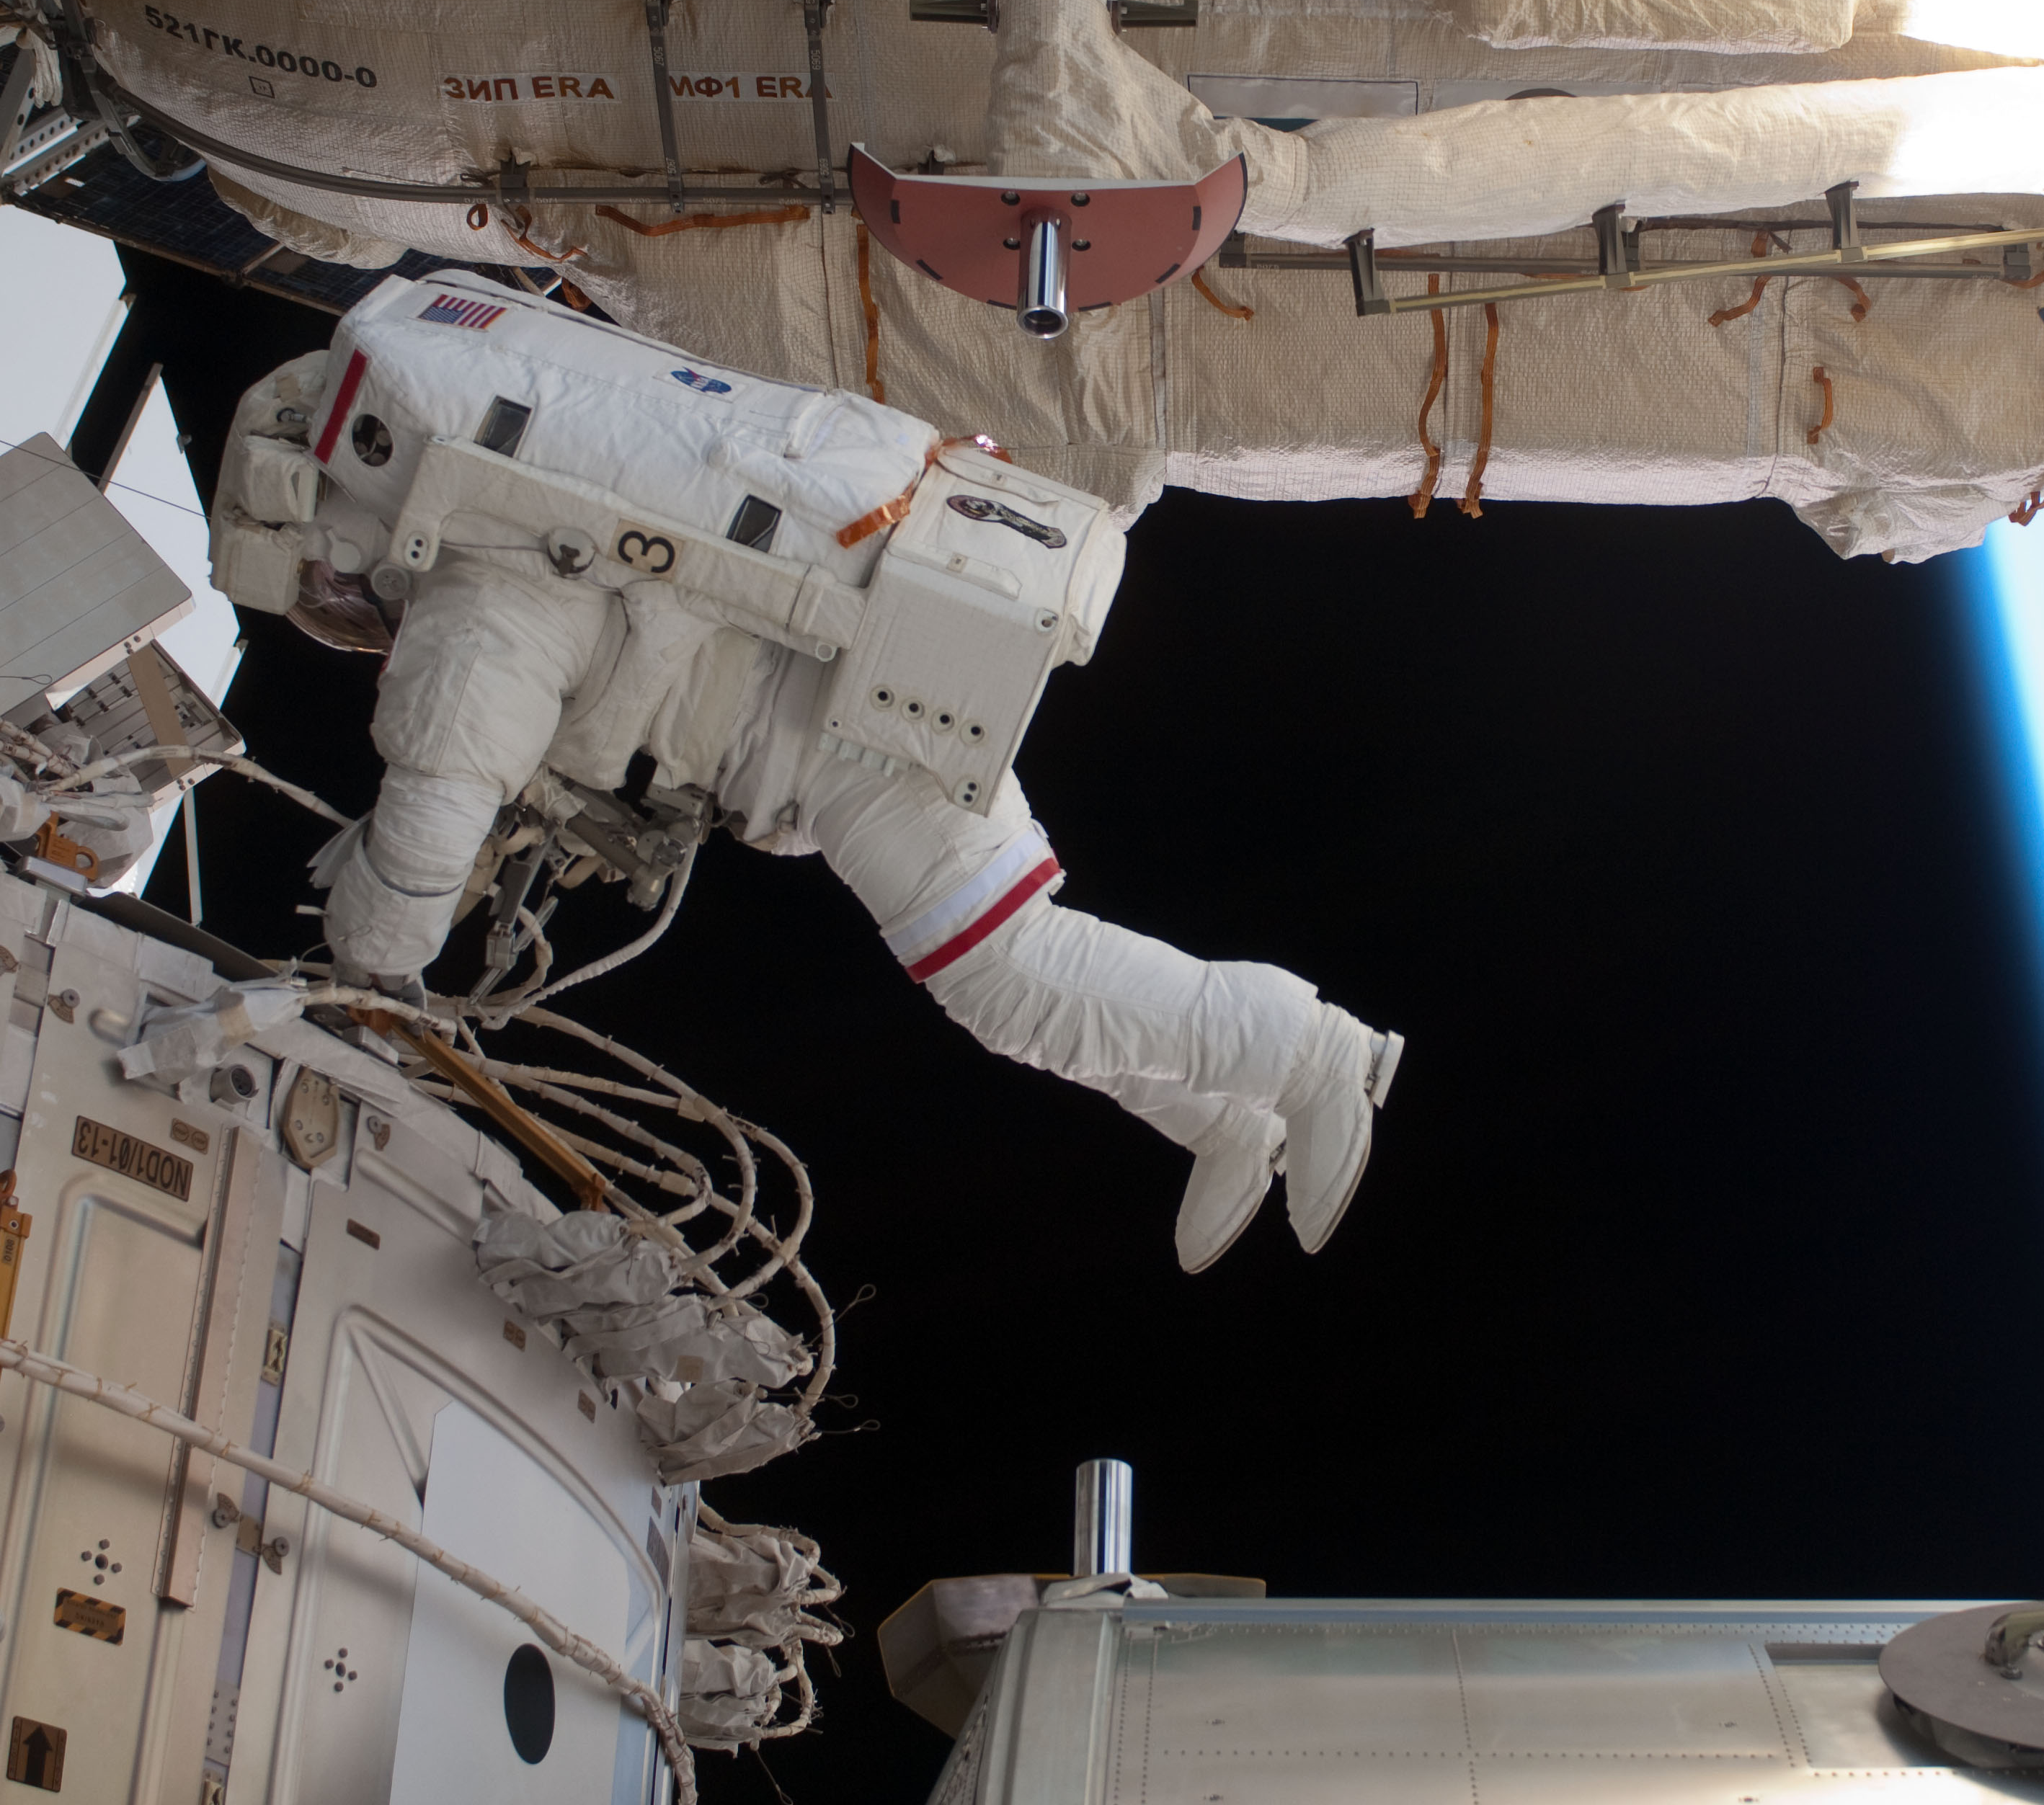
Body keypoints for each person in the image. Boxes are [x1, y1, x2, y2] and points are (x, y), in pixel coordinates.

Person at [217, 304, 1400, 1275]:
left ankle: (1314, 1054)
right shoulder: (508, 514)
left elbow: (434, 810)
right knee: (1013, 968)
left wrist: (365, 969)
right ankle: (1220, 1113)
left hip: (851, 729)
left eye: (326, 595)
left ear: (334, 532)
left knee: (1007, 974)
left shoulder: (474, 594)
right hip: (845, 699)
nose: (346, 618)